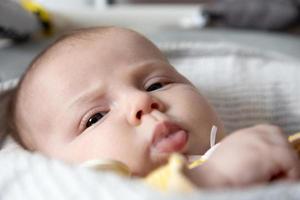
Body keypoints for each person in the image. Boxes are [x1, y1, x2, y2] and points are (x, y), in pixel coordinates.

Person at [1, 26, 300, 192]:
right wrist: (210, 177)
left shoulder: (254, 144)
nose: (141, 102)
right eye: (95, 117)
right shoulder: (105, 188)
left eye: (155, 85)